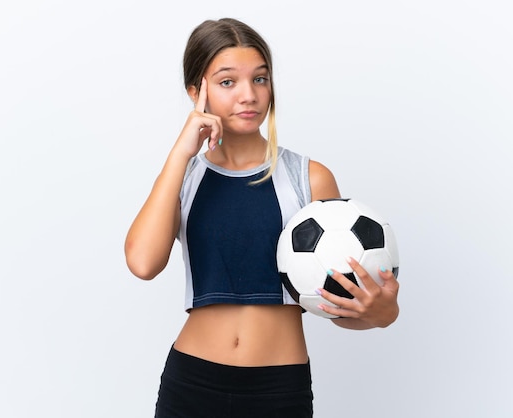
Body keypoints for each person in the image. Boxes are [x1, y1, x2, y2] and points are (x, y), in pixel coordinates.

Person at [124, 17, 400, 418]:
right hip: (192, 384)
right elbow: (143, 263)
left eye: (260, 79)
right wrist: (180, 154)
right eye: (226, 82)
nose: (248, 95)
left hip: (279, 388)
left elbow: (336, 301)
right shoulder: (182, 178)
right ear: (195, 92)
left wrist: (383, 313)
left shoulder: (308, 177)